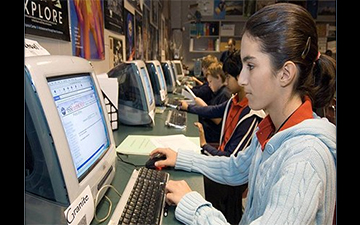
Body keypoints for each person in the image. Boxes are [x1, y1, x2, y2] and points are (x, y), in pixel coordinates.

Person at [150, 3, 336, 225]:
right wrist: (180, 158)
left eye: (251, 66)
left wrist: (193, 205)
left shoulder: (304, 159)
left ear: (285, 73)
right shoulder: (273, 127)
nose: (241, 80)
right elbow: (236, 168)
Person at [180, 58, 265, 224]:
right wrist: (188, 107)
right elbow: (211, 110)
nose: (226, 82)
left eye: (228, 77)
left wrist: (204, 145)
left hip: (231, 181)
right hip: (222, 161)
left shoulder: (252, 114)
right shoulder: (233, 101)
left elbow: (230, 160)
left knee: (188, 183)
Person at [183, 61, 231, 144]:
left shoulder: (224, 94)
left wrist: (202, 105)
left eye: (210, 82)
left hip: (213, 134)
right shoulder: (218, 92)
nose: (209, 85)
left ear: (218, 78)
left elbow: (217, 119)